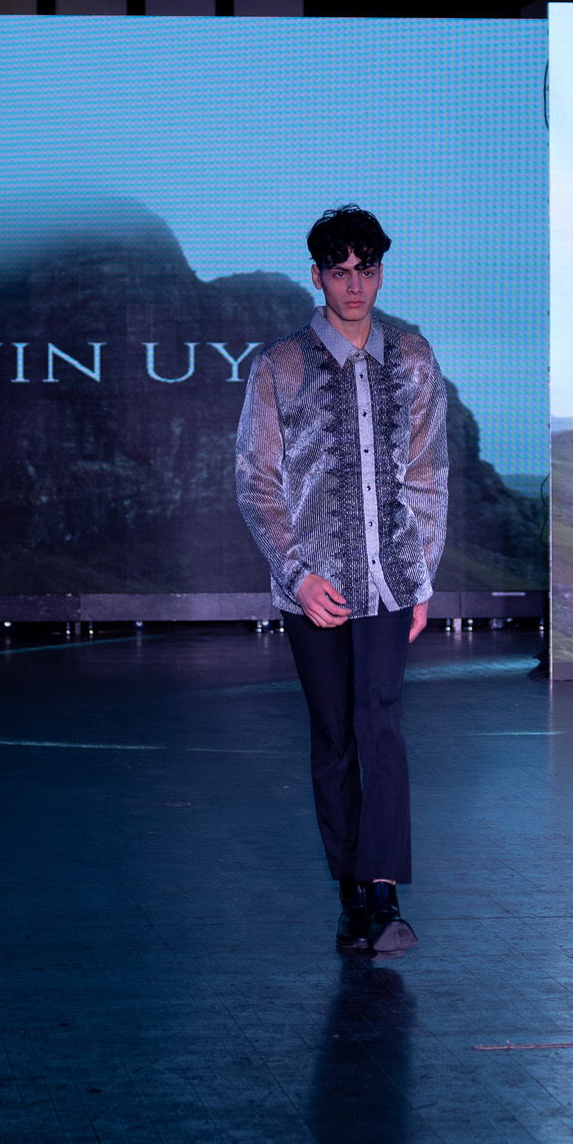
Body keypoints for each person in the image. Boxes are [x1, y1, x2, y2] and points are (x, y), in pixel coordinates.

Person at [235, 204, 448, 953]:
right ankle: (350, 894)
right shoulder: (279, 365)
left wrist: (421, 579)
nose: (354, 285)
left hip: (389, 581)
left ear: (380, 273)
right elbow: (256, 481)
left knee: (380, 725)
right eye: (339, 271)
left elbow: (427, 474)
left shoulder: (413, 357)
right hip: (314, 591)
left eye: (366, 269)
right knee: (333, 740)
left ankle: (383, 896)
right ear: (317, 276)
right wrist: (294, 575)